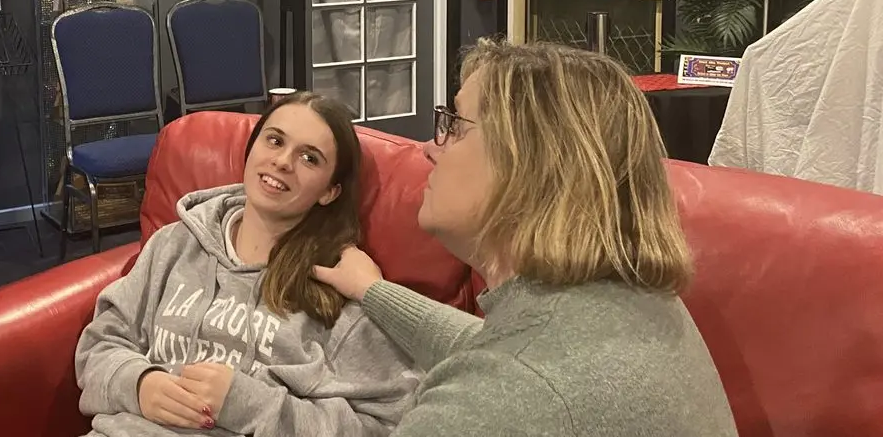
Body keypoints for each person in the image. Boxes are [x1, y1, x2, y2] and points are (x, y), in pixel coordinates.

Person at [313, 40, 739, 437]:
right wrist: (374, 290)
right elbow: (488, 346)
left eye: (456, 125)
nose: (430, 147)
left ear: (527, 165)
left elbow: (512, 380)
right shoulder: (628, 305)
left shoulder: (505, 399)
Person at [75, 92, 420, 437]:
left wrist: (250, 404)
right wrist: (138, 384)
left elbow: (386, 424)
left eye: (309, 158)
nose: (283, 161)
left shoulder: (340, 283)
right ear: (252, 149)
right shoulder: (175, 243)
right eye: (274, 140)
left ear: (329, 192)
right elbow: (101, 343)